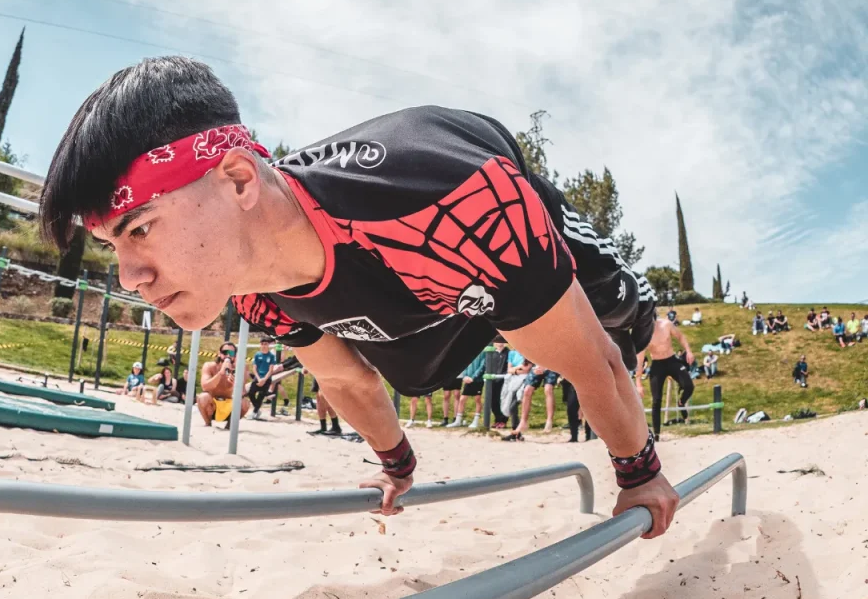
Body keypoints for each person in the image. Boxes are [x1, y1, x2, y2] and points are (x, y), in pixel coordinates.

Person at [40, 56, 678, 535]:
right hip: (422, 292)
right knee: (412, 372)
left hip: (479, 210)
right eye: (112, 247)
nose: (129, 276)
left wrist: (638, 472)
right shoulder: (254, 288)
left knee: (622, 315)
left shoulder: (454, 201)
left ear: (237, 181)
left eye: (140, 229)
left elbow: (592, 362)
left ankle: (660, 326)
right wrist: (396, 466)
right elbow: (347, 383)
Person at [637, 310, 695, 439]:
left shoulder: (666, 325)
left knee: (689, 386)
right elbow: (640, 360)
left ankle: (681, 401)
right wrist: (638, 383)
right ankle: (656, 433)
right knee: (656, 400)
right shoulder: (644, 334)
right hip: (657, 364)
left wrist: (689, 351)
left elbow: (680, 336)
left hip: (671, 360)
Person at [198, 341, 251, 427]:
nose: (228, 355)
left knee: (245, 403)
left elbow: (243, 393)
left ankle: (229, 426)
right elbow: (205, 387)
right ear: (219, 354)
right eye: (225, 352)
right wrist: (220, 373)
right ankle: (208, 423)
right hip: (212, 406)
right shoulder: (210, 366)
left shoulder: (241, 368)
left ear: (235, 355)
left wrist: (237, 379)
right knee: (203, 397)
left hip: (229, 406)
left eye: (231, 353)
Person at [502, 362, 559, 440]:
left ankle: (549, 420)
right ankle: (523, 421)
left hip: (552, 365)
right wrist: (535, 366)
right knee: (527, 390)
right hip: (537, 364)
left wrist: (545, 366)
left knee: (548, 389)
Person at [448, 347, 487, 429]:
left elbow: (482, 366)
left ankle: (476, 421)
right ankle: (458, 421)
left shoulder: (483, 352)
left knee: (477, 399)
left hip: (478, 380)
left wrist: (473, 377)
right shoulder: (468, 352)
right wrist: (464, 376)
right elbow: (464, 365)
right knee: (462, 399)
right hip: (467, 379)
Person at [248, 337, 281, 419]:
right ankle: (257, 408)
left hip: (267, 378)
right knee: (251, 393)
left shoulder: (271, 356)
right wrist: (259, 379)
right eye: (262, 344)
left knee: (260, 396)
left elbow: (271, 370)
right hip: (258, 377)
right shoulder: (257, 355)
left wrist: (264, 379)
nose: (263, 346)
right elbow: (254, 368)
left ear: (268, 345)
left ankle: (255, 412)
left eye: (265, 344)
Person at [489, 338, 510, 428]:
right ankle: (497, 419)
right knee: (493, 401)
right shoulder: (492, 353)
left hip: (504, 380)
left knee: (504, 401)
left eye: (502, 342)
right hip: (493, 380)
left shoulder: (508, 353)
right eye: (498, 342)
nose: (500, 344)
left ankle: (503, 420)